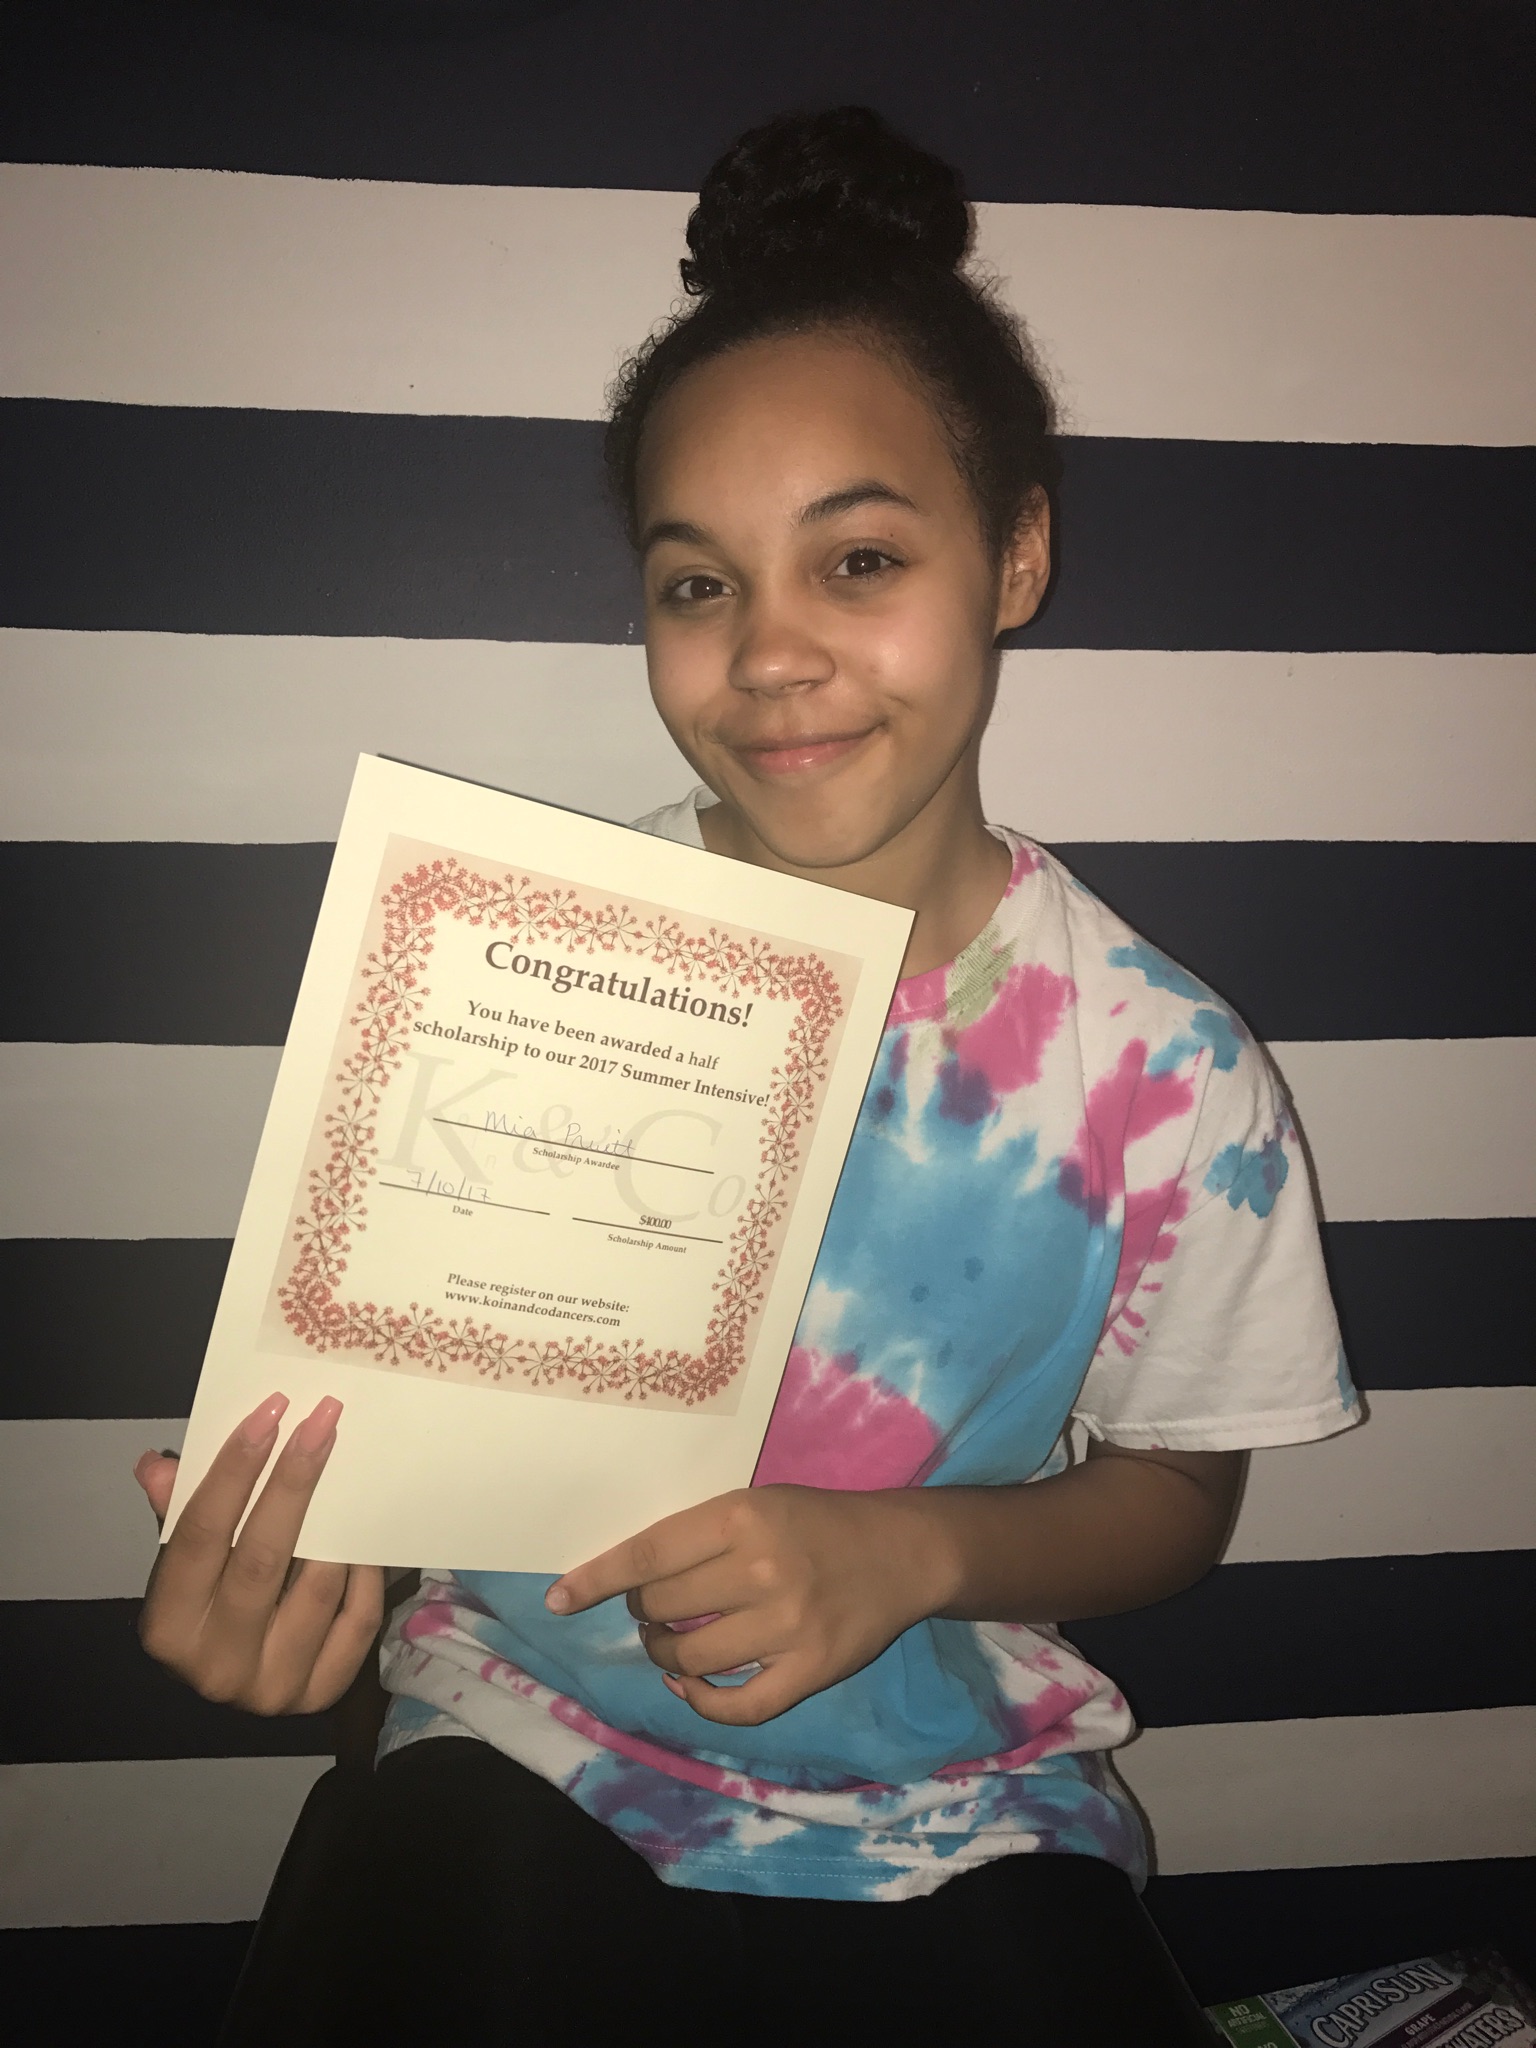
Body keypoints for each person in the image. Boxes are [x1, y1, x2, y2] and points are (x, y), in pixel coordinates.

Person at [135, 106, 1358, 2044]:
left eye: (857, 558)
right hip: (518, 1748)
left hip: (967, 1810)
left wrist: (914, 1549)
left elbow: (1177, 1493)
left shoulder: (1164, 1070)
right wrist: (301, 1575)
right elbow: (401, 1412)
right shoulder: (515, 962)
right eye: (698, 584)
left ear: (1015, 554)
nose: (772, 654)